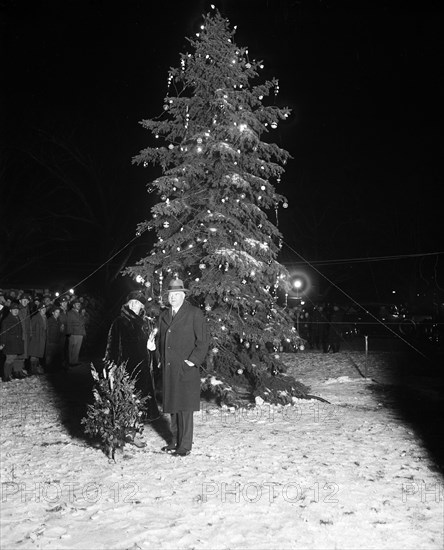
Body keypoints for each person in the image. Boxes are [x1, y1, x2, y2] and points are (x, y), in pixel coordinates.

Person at [148, 278, 209, 457]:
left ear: (183, 295)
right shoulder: (164, 315)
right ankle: (174, 441)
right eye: (170, 295)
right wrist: (158, 356)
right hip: (169, 368)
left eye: (176, 294)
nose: (173, 298)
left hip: (185, 369)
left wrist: (192, 361)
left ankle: (185, 445)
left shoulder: (194, 313)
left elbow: (203, 342)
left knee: (185, 409)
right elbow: (161, 341)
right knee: (173, 406)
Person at [105, 290, 159, 426]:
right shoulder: (119, 322)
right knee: (126, 400)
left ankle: (137, 428)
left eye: (138, 303)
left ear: (142, 306)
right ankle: (129, 431)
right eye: (132, 302)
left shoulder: (147, 323)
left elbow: (151, 348)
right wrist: (111, 366)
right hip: (126, 368)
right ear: (127, 305)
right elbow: (112, 346)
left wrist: (152, 347)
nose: (135, 305)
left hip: (143, 368)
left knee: (141, 400)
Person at [0, 301, 27, 381]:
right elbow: (3, 333)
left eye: (17, 309)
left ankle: (9, 375)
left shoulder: (17, 318)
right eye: (14, 309)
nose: (16, 311)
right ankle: (5, 376)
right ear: (10, 310)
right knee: (9, 359)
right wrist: (2, 343)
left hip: (16, 343)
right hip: (10, 344)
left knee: (13, 359)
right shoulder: (7, 320)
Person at [28, 304, 47, 374]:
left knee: (38, 355)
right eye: (42, 309)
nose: (44, 310)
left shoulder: (45, 317)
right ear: (39, 309)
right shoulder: (35, 317)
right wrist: (33, 337)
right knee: (34, 355)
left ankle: (36, 369)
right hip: (35, 339)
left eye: (45, 309)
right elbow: (31, 328)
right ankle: (32, 370)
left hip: (42, 339)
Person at [66, 298, 86, 366]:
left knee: (77, 349)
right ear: (73, 305)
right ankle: (70, 362)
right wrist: (69, 333)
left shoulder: (80, 313)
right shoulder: (70, 313)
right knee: (72, 348)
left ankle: (74, 361)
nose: (79, 305)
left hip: (80, 333)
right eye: (77, 304)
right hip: (73, 333)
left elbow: (84, 322)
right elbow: (69, 323)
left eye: (79, 304)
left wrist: (83, 315)